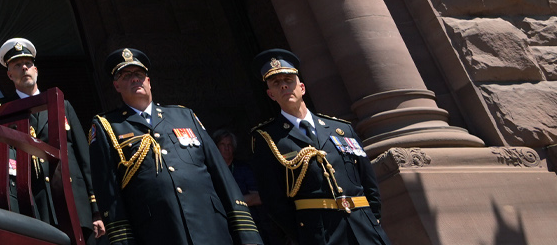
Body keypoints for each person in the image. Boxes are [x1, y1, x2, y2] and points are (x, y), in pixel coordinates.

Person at [90, 49, 263, 245]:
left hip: (211, 228)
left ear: (149, 81)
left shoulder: (184, 116)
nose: (134, 79)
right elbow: (109, 193)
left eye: (139, 74)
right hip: (158, 232)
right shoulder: (107, 126)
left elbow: (221, 174)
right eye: (126, 75)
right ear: (116, 85)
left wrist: (247, 233)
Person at [247, 50, 391, 245]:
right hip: (320, 234)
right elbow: (274, 200)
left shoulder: (341, 129)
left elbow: (368, 180)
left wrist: (372, 219)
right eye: (276, 83)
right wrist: (304, 235)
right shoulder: (267, 138)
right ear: (270, 94)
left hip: (364, 226)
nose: (283, 85)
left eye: (288, 80)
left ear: (302, 87)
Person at [0, 36, 100, 240]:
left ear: (36, 70)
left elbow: (84, 157)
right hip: (35, 205)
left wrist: (95, 208)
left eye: (28, 64)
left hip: (75, 202)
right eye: (18, 65)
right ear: (10, 74)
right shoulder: (4, 112)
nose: (24, 68)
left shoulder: (62, 105)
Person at [213, 128, 262, 207]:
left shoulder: (244, 169)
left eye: (229, 145)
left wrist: (229, 202)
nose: (226, 148)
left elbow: (258, 197)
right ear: (216, 147)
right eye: (222, 144)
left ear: (233, 148)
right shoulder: (210, 169)